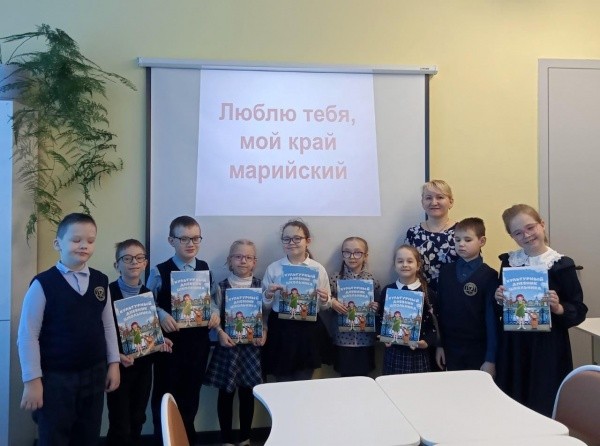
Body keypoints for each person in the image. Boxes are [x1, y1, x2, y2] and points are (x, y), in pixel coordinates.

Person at [17, 213, 121, 446]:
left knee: (88, 436)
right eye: (76, 240)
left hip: (94, 375)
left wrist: (113, 363)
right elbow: (27, 335)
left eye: (90, 241)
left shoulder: (100, 281)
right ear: (58, 243)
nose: (84, 245)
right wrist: (32, 380)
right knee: (54, 436)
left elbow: (108, 325)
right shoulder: (43, 284)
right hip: (56, 379)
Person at [494, 204, 587, 417]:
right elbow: (501, 305)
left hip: (547, 347)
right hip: (515, 345)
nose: (526, 235)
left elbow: (579, 308)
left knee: (543, 400)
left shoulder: (561, 264)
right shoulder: (509, 262)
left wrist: (559, 307)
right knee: (514, 401)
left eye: (530, 227)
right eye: (518, 232)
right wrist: (498, 298)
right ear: (512, 236)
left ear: (542, 225)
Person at [146, 216, 220, 444]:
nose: (191, 244)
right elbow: (147, 304)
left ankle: (187, 440)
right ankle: (164, 441)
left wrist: (214, 312)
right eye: (184, 239)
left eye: (196, 238)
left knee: (191, 397)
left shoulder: (205, 269)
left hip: (198, 345)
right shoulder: (159, 271)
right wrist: (160, 314)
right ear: (171, 241)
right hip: (169, 347)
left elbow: (212, 300)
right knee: (165, 397)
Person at [106, 239, 173, 446]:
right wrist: (115, 356)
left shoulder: (147, 295)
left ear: (145, 263)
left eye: (139, 258)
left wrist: (160, 341)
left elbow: (149, 332)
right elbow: (102, 332)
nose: (134, 262)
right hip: (119, 368)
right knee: (120, 422)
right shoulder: (108, 293)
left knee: (138, 417)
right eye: (127, 258)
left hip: (143, 367)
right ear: (117, 265)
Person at [204, 239, 266, 446]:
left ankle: (245, 438)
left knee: (248, 393)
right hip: (228, 347)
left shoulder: (261, 286)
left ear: (255, 262)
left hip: (251, 349)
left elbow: (265, 316)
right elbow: (214, 314)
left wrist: (264, 332)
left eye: (248, 257)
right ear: (229, 260)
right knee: (226, 393)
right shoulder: (220, 287)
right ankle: (226, 439)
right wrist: (220, 333)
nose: (243, 261)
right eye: (238, 257)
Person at [262, 219, 332, 381]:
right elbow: (264, 307)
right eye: (286, 239)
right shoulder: (274, 268)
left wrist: (324, 299)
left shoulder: (318, 269)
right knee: (282, 380)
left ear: (308, 241)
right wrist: (268, 294)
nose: (291, 242)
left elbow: (325, 306)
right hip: (281, 329)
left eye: (297, 238)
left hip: (308, 330)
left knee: (303, 381)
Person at [434, 218, 499, 377]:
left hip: (478, 348)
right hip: (450, 347)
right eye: (457, 240)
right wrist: (439, 345)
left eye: (467, 240)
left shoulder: (490, 275)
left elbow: (491, 318)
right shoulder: (446, 272)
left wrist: (490, 358)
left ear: (482, 241)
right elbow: (439, 311)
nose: (461, 244)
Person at [379, 245, 438, 375]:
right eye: (400, 261)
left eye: (410, 261)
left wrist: (426, 342)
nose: (405, 265)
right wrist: (382, 336)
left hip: (418, 353)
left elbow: (434, 325)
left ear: (418, 266)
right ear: (394, 266)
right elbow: (380, 318)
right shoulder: (387, 290)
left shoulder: (428, 293)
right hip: (393, 351)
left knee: (417, 387)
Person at [329, 236, 381, 377]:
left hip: (366, 340)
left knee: (364, 378)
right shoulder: (334, 278)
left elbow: (380, 308)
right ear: (342, 255)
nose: (352, 257)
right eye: (347, 252)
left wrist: (376, 307)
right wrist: (332, 302)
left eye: (357, 252)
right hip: (342, 340)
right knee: (345, 379)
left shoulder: (372, 280)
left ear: (365, 256)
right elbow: (324, 304)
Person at [405, 179, 458, 290]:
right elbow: (405, 268)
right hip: (421, 295)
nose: (434, 202)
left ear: (451, 202)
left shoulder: (462, 231)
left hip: (455, 296)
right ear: (422, 202)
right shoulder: (413, 233)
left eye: (440, 197)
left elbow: (473, 267)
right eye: (428, 198)